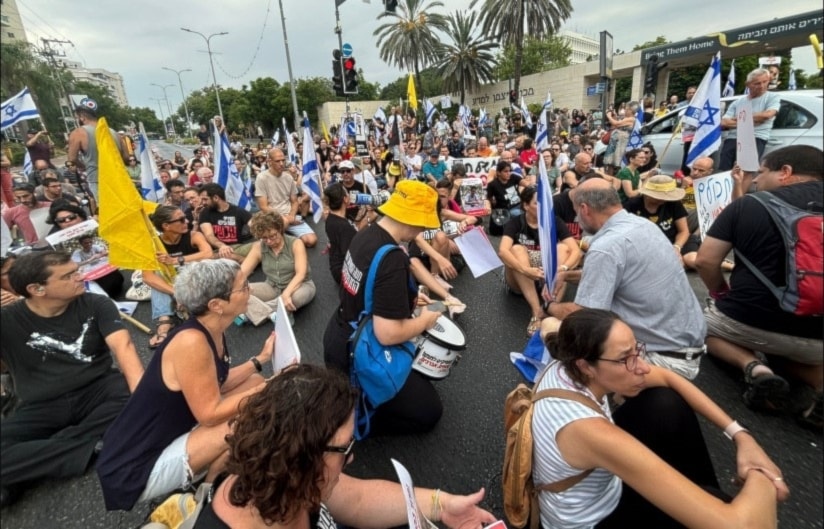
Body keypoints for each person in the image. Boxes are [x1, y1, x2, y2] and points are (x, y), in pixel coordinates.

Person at [532, 309, 788, 529]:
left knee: (664, 401)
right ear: (585, 366)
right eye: (625, 359)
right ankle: (709, 502)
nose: (641, 366)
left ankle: (705, 498)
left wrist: (741, 435)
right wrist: (762, 474)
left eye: (636, 350)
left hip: (597, 482)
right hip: (594, 520)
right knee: (724, 515)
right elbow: (736, 526)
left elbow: (668, 377)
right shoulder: (589, 431)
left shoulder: (563, 362)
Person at [191, 364, 495, 528]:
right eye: (345, 448)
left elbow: (358, 499)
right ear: (305, 456)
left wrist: (440, 505)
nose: (350, 459)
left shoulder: (284, 478)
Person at [97, 260, 273, 511]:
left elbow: (217, 383)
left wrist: (260, 361)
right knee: (254, 411)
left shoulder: (209, 327)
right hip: (138, 466)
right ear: (216, 305)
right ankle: (208, 491)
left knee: (255, 381)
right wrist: (269, 389)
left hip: (160, 434)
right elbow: (210, 414)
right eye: (243, 287)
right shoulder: (191, 342)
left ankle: (210, 472)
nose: (250, 290)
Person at [1, 251, 143, 507]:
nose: (81, 277)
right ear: (37, 289)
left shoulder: (95, 303)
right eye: (69, 275)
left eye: (77, 270)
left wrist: (144, 396)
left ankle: (29, 465)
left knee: (131, 398)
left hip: (99, 389)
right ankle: (91, 447)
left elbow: (124, 347)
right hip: (41, 403)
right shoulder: (7, 319)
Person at [695, 145, 823, 429]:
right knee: (797, 347)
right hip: (817, 338)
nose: (755, 180)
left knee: (701, 325)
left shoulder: (749, 204)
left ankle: (753, 367)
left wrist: (719, 294)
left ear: (785, 172)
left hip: (751, 321)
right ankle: (817, 386)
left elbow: (705, 261)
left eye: (762, 172)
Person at [547, 178, 707, 380]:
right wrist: (566, 275)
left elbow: (584, 318)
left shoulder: (606, 247)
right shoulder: (644, 225)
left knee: (552, 327)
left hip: (661, 358)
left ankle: (589, 399)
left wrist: (549, 306)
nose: (577, 220)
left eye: (576, 213)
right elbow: (613, 277)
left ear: (585, 209)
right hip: (687, 347)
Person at [323, 180, 445, 436]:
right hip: (360, 353)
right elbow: (387, 333)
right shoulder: (393, 258)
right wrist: (426, 320)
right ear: (412, 218)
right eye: (423, 222)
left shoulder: (365, 233)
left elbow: (367, 287)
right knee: (430, 411)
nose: (423, 228)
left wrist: (406, 298)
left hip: (337, 336)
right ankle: (359, 412)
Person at [498, 186, 580, 336]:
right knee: (516, 249)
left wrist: (562, 269)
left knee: (563, 248)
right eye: (537, 203)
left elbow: (575, 250)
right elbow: (502, 251)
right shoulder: (516, 222)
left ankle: (550, 307)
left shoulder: (554, 221)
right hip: (521, 276)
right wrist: (526, 270)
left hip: (547, 273)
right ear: (526, 205)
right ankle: (537, 311)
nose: (542, 207)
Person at [142, 205, 213, 348]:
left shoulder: (194, 235)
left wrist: (176, 260)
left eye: (185, 218)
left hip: (194, 279)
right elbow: (147, 277)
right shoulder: (154, 245)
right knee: (156, 274)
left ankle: (183, 310)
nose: (186, 221)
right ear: (166, 226)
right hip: (173, 285)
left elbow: (208, 253)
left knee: (196, 266)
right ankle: (164, 321)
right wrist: (176, 292)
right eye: (181, 220)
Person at [239, 211, 316, 325]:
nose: (269, 241)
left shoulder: (296, 243)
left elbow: (301, 274)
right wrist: (237, 288)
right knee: (240, 293)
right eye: (264, 238)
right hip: (272, 286)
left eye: (273, 236)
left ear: (280, 229)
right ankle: (275, 313)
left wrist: (286, 294)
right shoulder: (258, 247)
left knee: (295, 299)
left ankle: (255, 311)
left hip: (300, 286)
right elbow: (241, 273)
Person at [623, 175, 692, 268]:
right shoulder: (632, 205)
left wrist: (676, 247)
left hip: (673, 242)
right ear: (648, 194)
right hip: (644, 246)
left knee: (690, 260)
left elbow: (683, 231)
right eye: (659, 197)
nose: (663, 200)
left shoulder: (673, 203)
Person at [718, 69, 781, 171]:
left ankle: (741, 188)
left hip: (755, 137)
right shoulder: (738, 102)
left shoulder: (772, 97)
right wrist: (753, 120)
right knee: (725, 171)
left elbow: (767, 115)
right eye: (757, 83)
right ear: (747, 84)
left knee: (745, 171)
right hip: (733, 138)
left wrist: (738, 118)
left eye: (765, 82)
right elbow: (724, 122)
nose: (762, 86)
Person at [255, 148, 318, 248]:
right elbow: (263, 206)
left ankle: (283, 237)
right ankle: (278, 241)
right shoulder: (262, 178)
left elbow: (294, 201)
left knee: (311, 241)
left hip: (289, 216)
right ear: (269, 162)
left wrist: (291, 216)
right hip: (272, 216)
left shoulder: (288, 177)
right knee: (283, 224)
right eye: (277, 161)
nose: (281, 163)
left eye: (283, 160)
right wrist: (284, 218)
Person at [67, 98, 127, 201]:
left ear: (82, 117)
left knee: (106, 209)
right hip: (119, 176)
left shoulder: (78, 133)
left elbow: (72, 159)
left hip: (97, 178)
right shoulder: (113, 132)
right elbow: (126, 156)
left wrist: (84, 166)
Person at [197, 183, 254, 263]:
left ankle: (243, 261)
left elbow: (255, 226)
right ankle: (247, 262)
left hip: (238, 248)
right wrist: (222, 246)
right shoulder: (205, 213)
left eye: (205, 199)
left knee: (260, 246)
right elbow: (209, 235)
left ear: (216, 198)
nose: (203, 203)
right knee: (224, 256)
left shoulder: (238, 211)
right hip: (218, 250)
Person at [323, 183, 357, 284]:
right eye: (347, 193)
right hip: (343, 272)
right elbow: (352, 255)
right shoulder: (344, 227)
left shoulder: (331, 218)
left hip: (335, 266)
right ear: (345, 199)